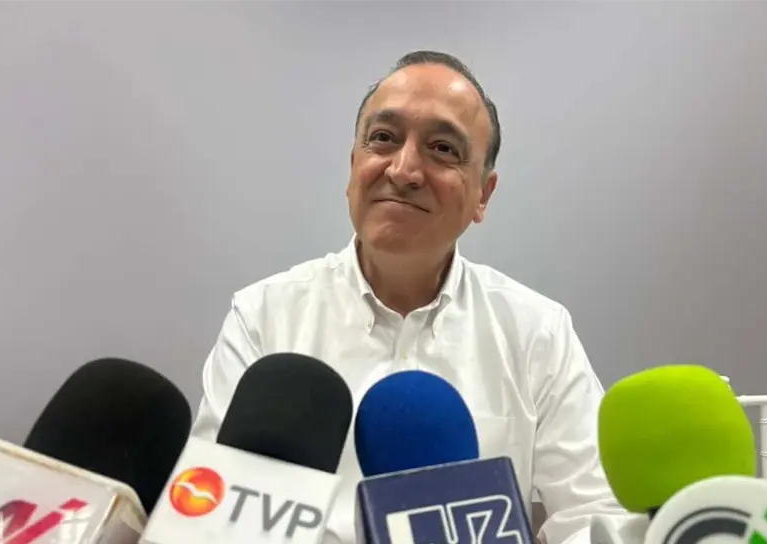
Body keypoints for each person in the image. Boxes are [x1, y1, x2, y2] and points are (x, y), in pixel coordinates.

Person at [191, 50, 626, 543]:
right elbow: (209, 521)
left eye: (442, 148)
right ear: (353, 165)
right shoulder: (263, 318)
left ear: (483, 195)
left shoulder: (537, 332)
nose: (403, 170)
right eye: (383, 138)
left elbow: (596, 515)